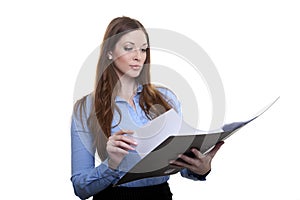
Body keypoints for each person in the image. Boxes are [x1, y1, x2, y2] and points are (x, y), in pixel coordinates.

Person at [71, 16, 224, 200]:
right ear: (109, 52)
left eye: (143, 49)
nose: (139, 56)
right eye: (129, 48)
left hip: (160, 196)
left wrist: (201, 168)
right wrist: (111, 164)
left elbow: (182, 166)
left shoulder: (167, 99)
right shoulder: (86, 108)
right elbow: (81, 188)